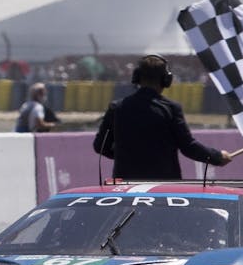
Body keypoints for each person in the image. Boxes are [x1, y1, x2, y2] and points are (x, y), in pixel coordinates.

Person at [92, 54, 232, 180]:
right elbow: (188, 147)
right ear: (166, 79)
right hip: (163, 186)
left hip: (125, 185)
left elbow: (100, 146)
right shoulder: (171, 109)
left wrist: (127, 156)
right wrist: (217, 157)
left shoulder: (116, 108)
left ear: (136, 77)